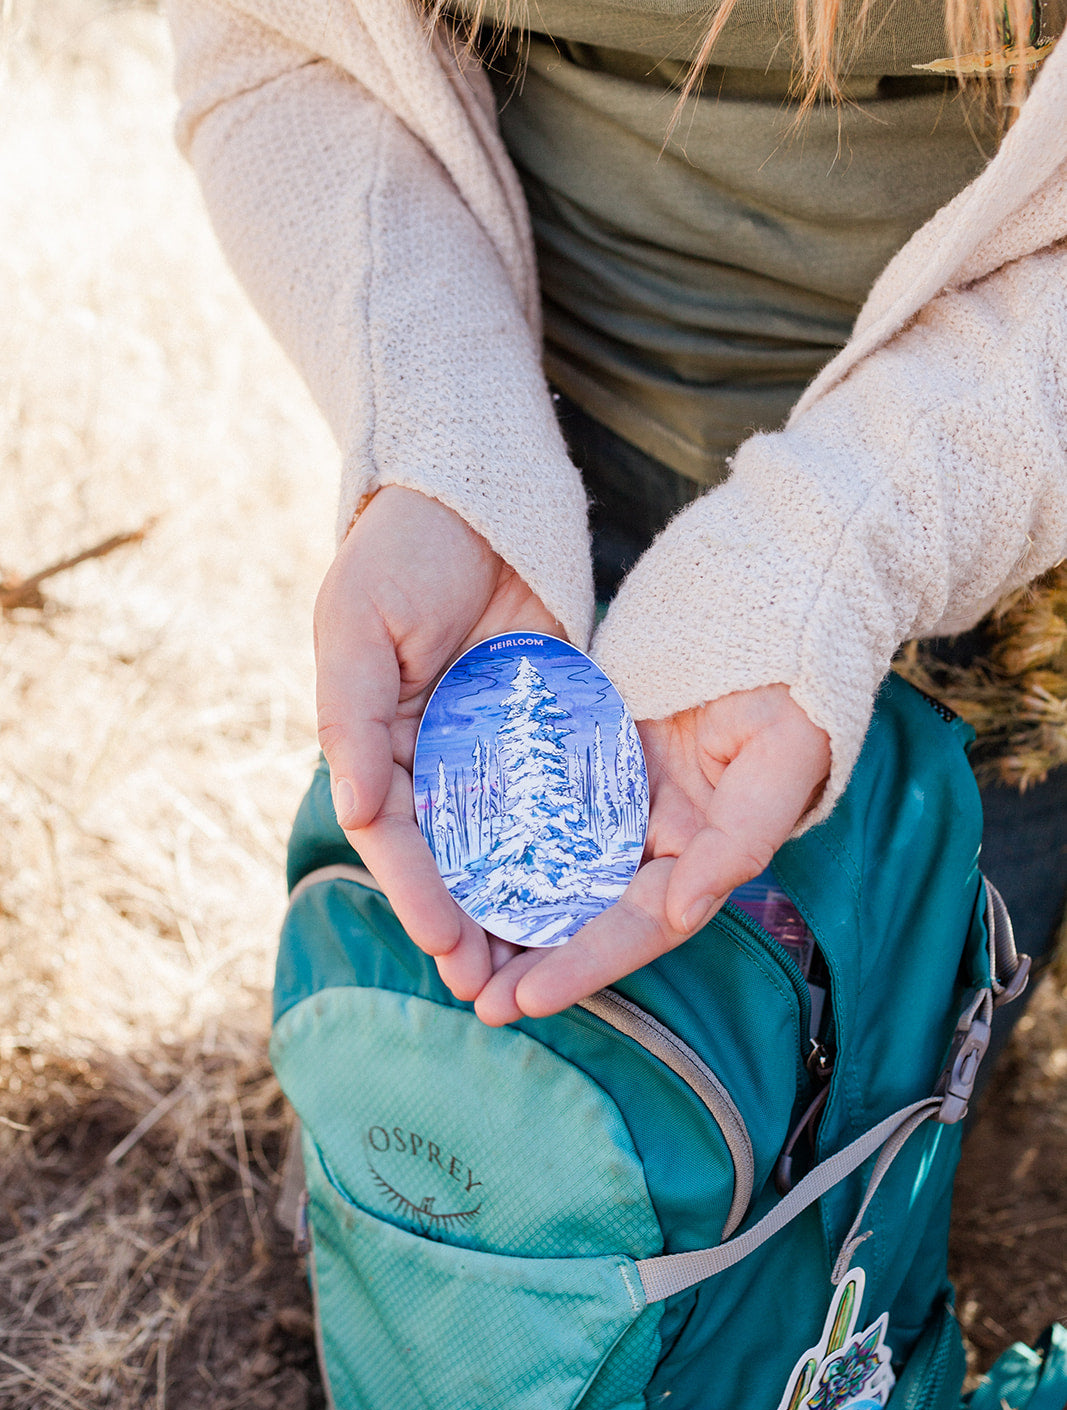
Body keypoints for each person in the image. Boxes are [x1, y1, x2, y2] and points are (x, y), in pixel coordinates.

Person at [166, 0, 1067, 1036]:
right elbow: (267, 37)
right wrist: (449, 444)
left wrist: (847, 533)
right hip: (533, 481)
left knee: (877, 1090)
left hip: (1000, 534)